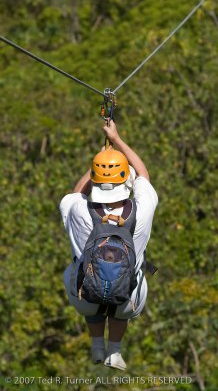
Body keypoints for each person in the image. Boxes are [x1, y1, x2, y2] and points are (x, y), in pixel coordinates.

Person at [59, 120, 158, 370]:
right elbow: (144, 175)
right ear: (125, 180)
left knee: (80, 273)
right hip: (129, 299)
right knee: (128, 283)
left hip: (83, 298)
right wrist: (117, 140)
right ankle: (114, 350)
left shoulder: (78, 209)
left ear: (94, 177)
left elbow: (77, 192)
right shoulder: (143, 208)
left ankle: (96, 345)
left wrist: (101, 157)